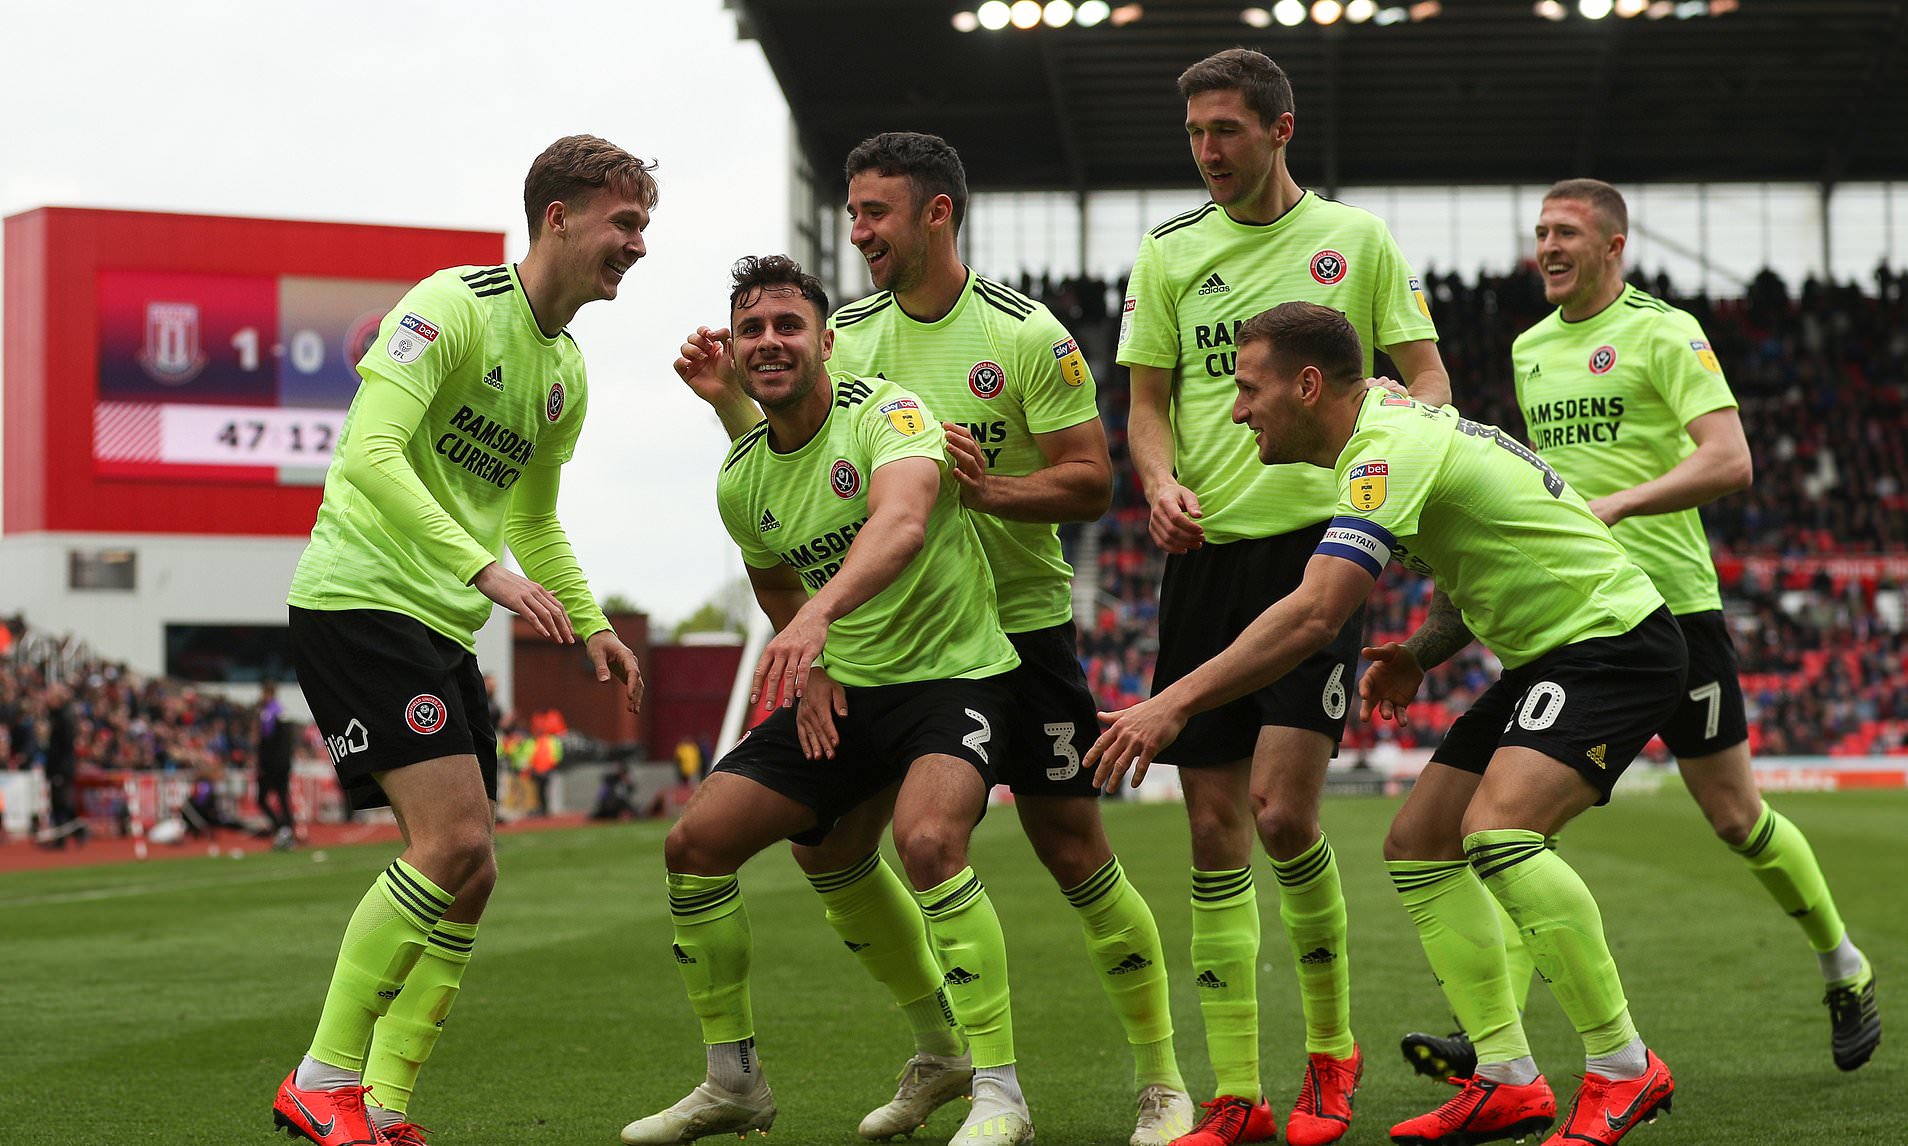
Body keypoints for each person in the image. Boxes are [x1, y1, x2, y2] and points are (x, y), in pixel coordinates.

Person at [683, 131, 1187, 1146]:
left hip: (1019, 627)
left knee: (1072, 850)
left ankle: (1163, 1083)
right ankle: (944, 1052)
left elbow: (1092, 479)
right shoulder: (846, 333)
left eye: (874, 213)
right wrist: (731, 399)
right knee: (830, 846)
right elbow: (783, 470)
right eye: (855, 212)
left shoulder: (1023, 333)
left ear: (936, 215)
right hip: (891, 642)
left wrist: (992, 488)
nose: (857, 232)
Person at [1091, 299, 1689, 1146]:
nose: (1234, 410)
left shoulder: (1383, 446)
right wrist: (1423, 652)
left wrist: (1172, 703)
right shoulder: (1396, 430)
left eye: (1247, 389)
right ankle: (1509, 1079)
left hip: (1612, 644)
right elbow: (1471, 542)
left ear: (1307, 385)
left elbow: (1314, 615)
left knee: (1500, 832)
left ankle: (1625, 1069)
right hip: (1550, 655)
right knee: (1418, 843)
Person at [1397, 179, 1880, 1082]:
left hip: (1674, 610)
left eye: (1567, 231)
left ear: (1614, 244)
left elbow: (1729, 460)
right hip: (1574, 619)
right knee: (1512, 828)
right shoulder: (1531, 347)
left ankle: (1842, 964)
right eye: (1539, 231)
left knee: (1734, 817)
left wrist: (1617, 504)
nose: (1546, 245)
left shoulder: (1665, 331)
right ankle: (1495, 1039)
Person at [272, 134, 650, 1146]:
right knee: (452, 844)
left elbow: (531, 520)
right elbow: (368, 452)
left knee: (473, 870)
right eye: (624, 224)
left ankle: (384, 1102)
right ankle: (323, 1077)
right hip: (361, 601)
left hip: (437, 623)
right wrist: (482, 571)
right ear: (557, 218)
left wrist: (593, 622)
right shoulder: (451, 305)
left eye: (645, 228)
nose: (639, 246)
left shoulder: (565, 369)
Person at [1113, 47, 1449, 1146]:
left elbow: (1428, 379)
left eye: (1228, 131)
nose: (1209, 152)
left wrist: (1384, 459)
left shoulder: (1357, 242)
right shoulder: (1166, 253)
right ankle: (1240, 1096)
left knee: (1283, 812)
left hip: (1318, 552)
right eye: (1196, 134)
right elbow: (1148, 403)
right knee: (1213, 830)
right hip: (1204, 560)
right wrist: (1157, 480)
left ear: (1280, 129)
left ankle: (1331, 1054)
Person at [623, 255, 1029, 1146]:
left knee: (927, 843)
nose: (770, 342)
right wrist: (816, 664)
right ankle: (738, 1082)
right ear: (734, 353)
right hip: (846, 686)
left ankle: (1001, 1093)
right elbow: (774, 585)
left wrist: (815, 620)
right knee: (697, 845)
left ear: (826, 341)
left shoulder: (888, 413)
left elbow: (902, 523)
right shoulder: (742, 478)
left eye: (788, 326)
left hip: (952, 672)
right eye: (752, 330)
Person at [257, 681, 296, 850]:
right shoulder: (282, 711)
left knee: (262, 798)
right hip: (284, 763)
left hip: (272, 765)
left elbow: (266, 741)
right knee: (282, 797)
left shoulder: (268, 713)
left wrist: (262, 763)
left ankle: (281, 828)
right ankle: (286, 830)